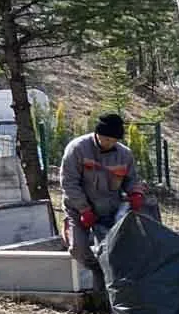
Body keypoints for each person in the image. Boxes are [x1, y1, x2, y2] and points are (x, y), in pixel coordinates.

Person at [59, 113, 146, 288]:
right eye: (106, 139)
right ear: (97, 133)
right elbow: (69, 183)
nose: (109, 143)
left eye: (114, 140)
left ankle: (105, 289)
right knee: (78, 249)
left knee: (112, 252)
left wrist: (135, 193)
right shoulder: (77, 149)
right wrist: (84, 209)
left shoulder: (124, 154)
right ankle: (98, 270)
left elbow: (131, 180)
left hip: (109, 210)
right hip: (78, 209)